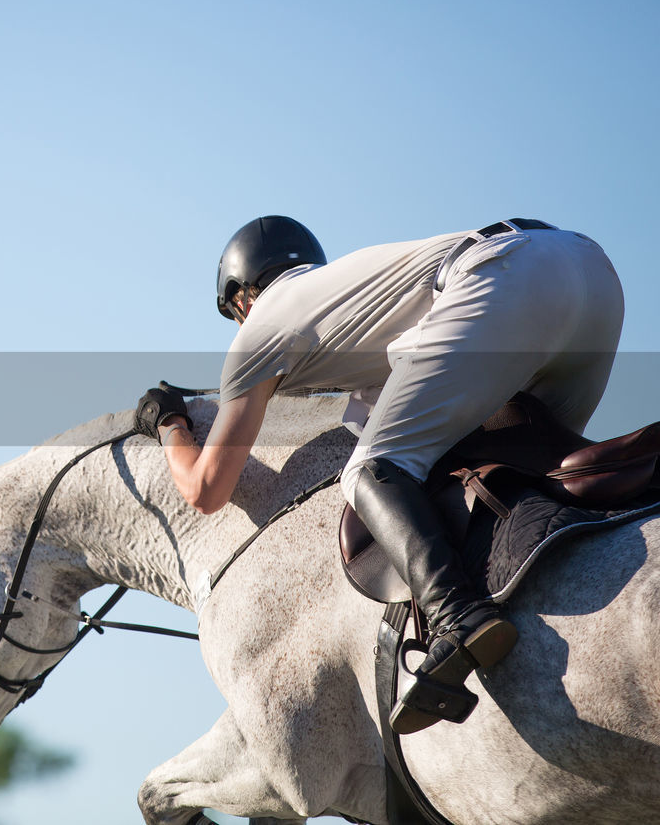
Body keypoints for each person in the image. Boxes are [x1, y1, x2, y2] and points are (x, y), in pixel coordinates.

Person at [135, 215, 624, 733]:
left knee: (372, 469)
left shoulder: (258, 329)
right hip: (589, 270)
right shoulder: (350, 301)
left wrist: (168, 422)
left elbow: (206, 489)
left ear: (241, 299)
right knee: (535, 463)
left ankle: (457, 615)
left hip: (499, 276)